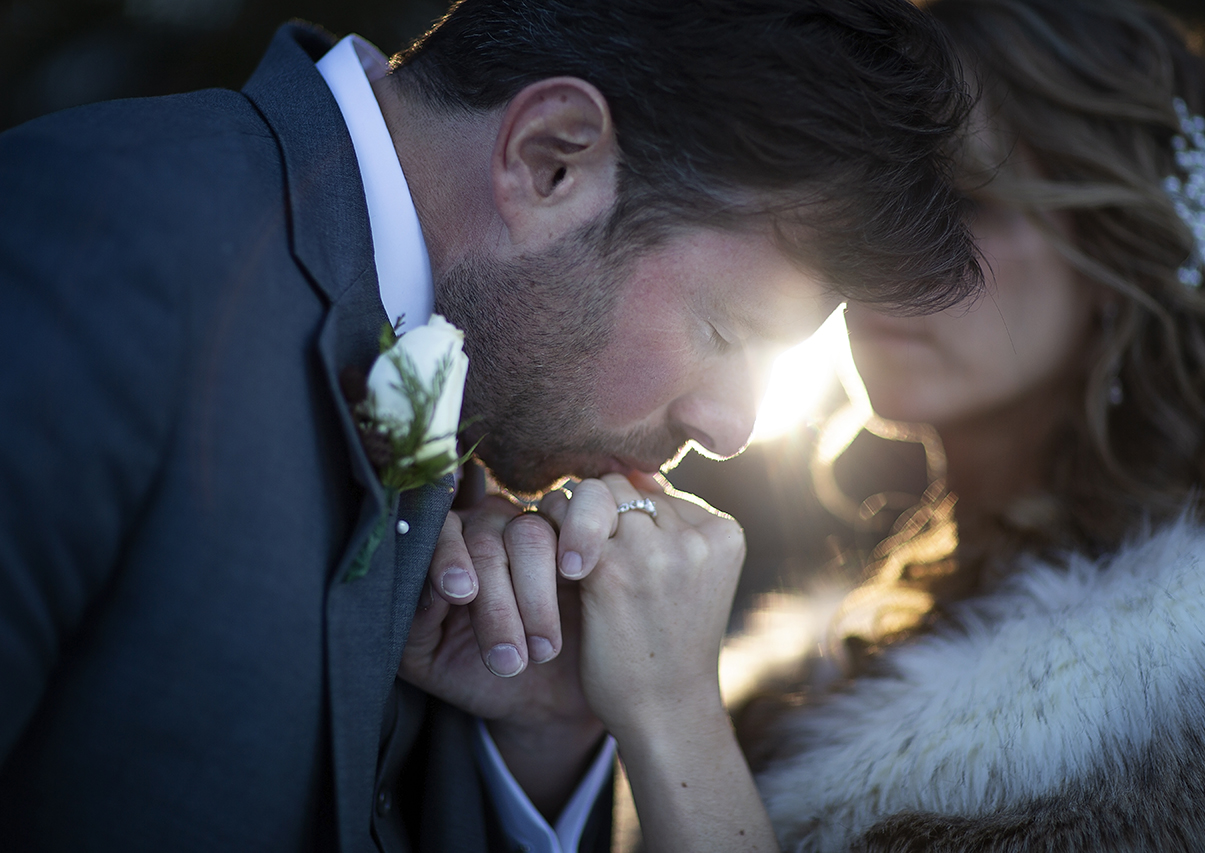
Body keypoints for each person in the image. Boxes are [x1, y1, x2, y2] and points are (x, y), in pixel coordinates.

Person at [0, 0, 982, 851]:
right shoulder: (94, 239)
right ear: (549, 160)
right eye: (726, 329)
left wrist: (542, 737)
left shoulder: (469, 379)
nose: (729, 428)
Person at [447, 0, 1205, 848]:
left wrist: (671, 714)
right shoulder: (842, 626)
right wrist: (555, 724)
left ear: (1118, 253)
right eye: (868, 212)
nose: (887, 269)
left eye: (954, 205)